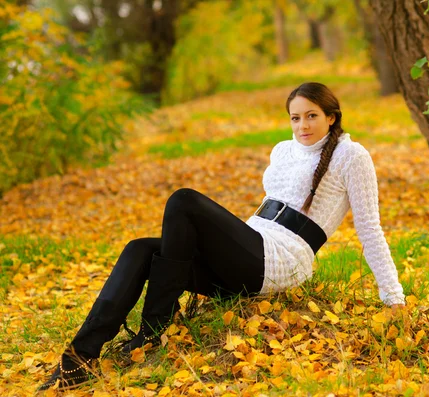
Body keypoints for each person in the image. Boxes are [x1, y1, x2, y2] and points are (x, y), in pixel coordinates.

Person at [38, 82, 406, 391]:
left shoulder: (351, 156)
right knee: (139, 249)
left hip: (280, 260)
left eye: (312, 115)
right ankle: (80, 359)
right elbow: (268, 209)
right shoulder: (282, 150)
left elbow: (369, 227)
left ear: (331, 116)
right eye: (296, 117)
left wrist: (394, 298)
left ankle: (156, 324)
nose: (303, 125)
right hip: (249, 246)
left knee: (184, 200)